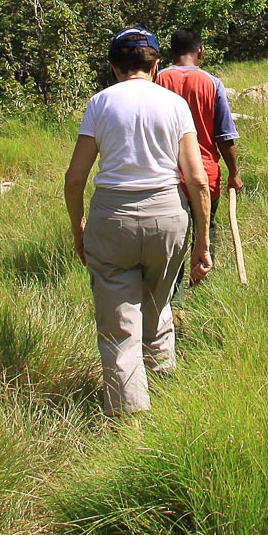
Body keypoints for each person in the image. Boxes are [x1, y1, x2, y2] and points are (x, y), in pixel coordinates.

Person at [63, 27, 213, 416]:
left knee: (119, 327)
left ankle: (133, 423)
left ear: (114, 67)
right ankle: (166, 398)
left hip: (112, 218)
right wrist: (202, 244)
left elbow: (75, 177)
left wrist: (78, 226)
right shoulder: (174, 104)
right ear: (156, 64)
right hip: (168, 216)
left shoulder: (100, 103)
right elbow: (196, 180)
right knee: (157, 307)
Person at [154, 29, 242, 260]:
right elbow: (224, 137)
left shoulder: (157, 80)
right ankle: (201, 280)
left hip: (165, 174)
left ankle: (174, 293)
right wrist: (234, 173)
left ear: (171, 53)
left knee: (170, 241)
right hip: (205, 174)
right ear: (200, 52)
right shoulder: (212, 83)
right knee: (206, 230)